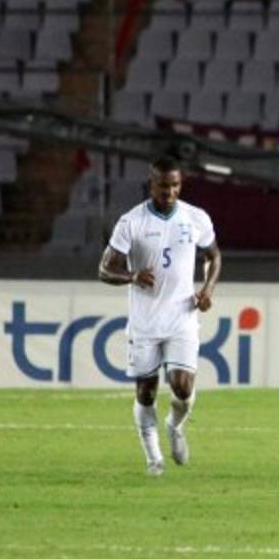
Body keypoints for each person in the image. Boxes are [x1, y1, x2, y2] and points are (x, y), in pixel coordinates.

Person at [98, 156, 222, 476]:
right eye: (163, 186)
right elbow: (105, 269)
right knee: (146, 391)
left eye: (175, 185)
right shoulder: (131, 222)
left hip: (182, 317)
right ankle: (154, 459)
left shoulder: (196, 218)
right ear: (151, 184)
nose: (169, 192)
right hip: (146, 321)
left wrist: (207, 288)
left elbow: (213, 256)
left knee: (182, 387)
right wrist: (132, 275)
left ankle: (175, 426)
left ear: (181, 184)